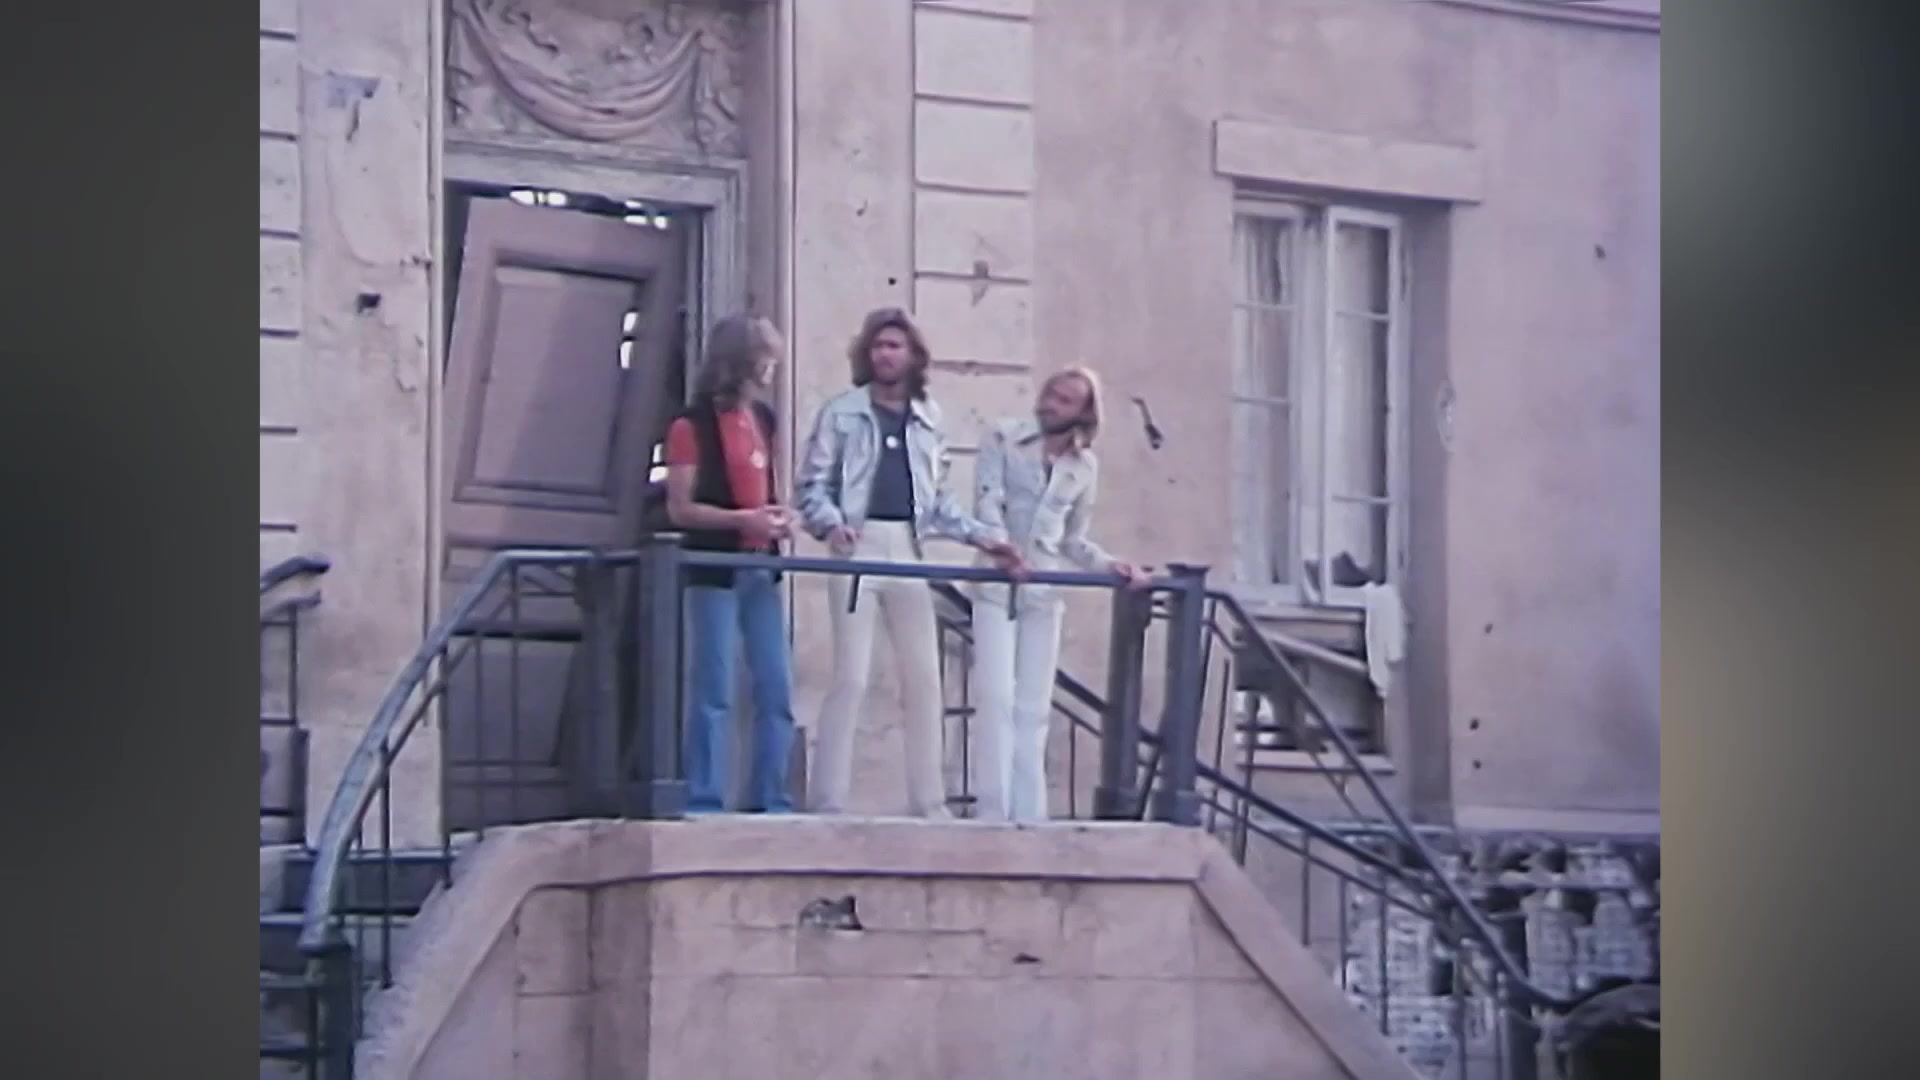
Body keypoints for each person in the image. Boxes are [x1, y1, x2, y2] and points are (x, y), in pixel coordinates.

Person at [794, 307, 1023, 818]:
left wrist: (988, 539)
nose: (885, 355)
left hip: (909, 547)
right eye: (878, 346)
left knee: (924, 678)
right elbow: (811, 486)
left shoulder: (928, 418)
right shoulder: (842, 412)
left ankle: (929, 801)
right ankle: (828, 798)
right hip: (857, 544)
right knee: (851, 677)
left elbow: (939, 502)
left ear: (913, 356)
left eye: (895, 346)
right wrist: (832, 523)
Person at [969, 367, 1152, 823]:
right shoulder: (1003, 437)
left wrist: (1111, 565)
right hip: (995, 584)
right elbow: (987, 504)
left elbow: (1072, 539)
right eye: (1051, 393)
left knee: (1033, 708)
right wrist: (1001, 549)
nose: (1051, 404)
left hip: (1044, 590)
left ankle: (1030, 815)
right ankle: (993, 811)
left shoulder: (1083, 467)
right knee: (995, 698)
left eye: (1066, 400)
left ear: (1084, 413)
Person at [662, 314, 797, 814]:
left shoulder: (765, 419)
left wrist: (780, 517)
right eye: (766, 359)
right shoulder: (690, 425)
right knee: (714, 689)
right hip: (716, 567)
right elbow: (681, 508)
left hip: (761, 567)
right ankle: (705, 797)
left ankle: (771, 797)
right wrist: (743, 519)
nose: (772, 369)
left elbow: (767, 488)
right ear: (744, 361)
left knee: (775, 688)